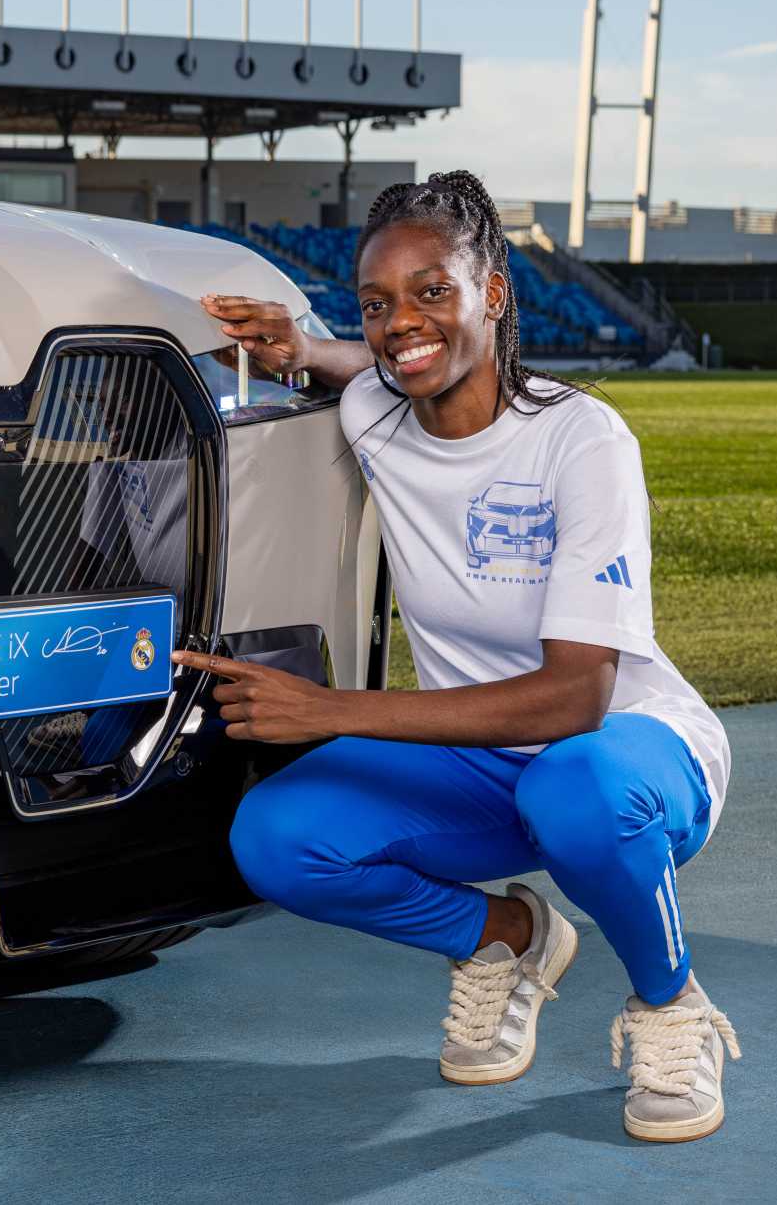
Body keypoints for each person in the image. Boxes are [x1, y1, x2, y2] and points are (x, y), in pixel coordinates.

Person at [174, 171, 740, 1144]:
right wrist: (299, 347)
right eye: (378, 303)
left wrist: (331, 711)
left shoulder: (582, 440)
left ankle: (670, 1003)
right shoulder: (375, 411)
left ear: (495, 291)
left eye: (432, 290)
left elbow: (575, 697)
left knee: (575, 789)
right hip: (479, 767)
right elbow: (358, 368)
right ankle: (507, 938)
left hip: (627, 753)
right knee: (275, 838)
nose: (402, 322)